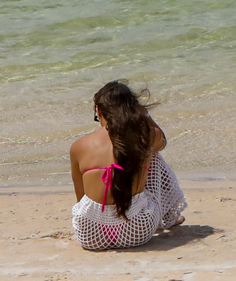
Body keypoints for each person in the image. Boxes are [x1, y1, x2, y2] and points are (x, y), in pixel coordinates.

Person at [68, 80, 187, 250]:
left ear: (99, 111)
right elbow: (161, 142)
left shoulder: (78, 146)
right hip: (137, 229)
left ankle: (158, 215)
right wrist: (144, 115)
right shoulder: (144, 137)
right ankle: (168, 217)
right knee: (153, 157)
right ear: (132, 108)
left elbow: (81, 199)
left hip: (91, 234)